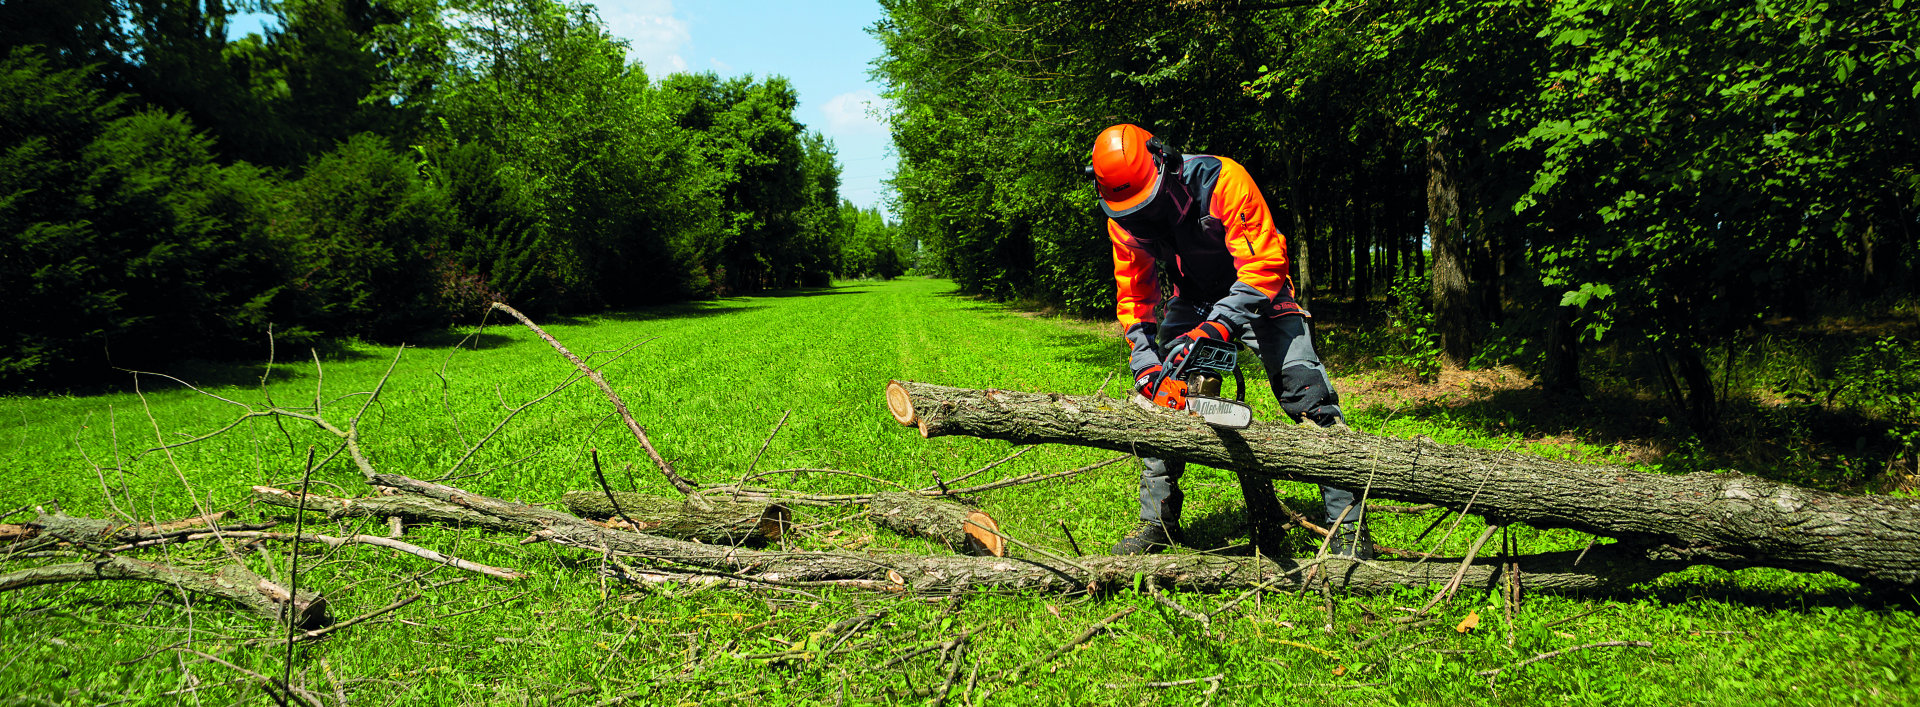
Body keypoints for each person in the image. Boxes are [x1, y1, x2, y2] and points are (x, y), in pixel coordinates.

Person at [1087, 123, 1372, 558]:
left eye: (1148, 205)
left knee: (1310, 396)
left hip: (1260, 292)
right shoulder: (1124, 222)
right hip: (1193, 299)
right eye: (1132, 212)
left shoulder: (1223, 180)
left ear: (1165, 165)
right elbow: (1135, 299)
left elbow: (1264, 268)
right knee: (1160, 398)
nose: (1143, 219)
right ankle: (1157, 523)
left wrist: (1217, 327)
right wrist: (1145, 363)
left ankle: (1348, 531)